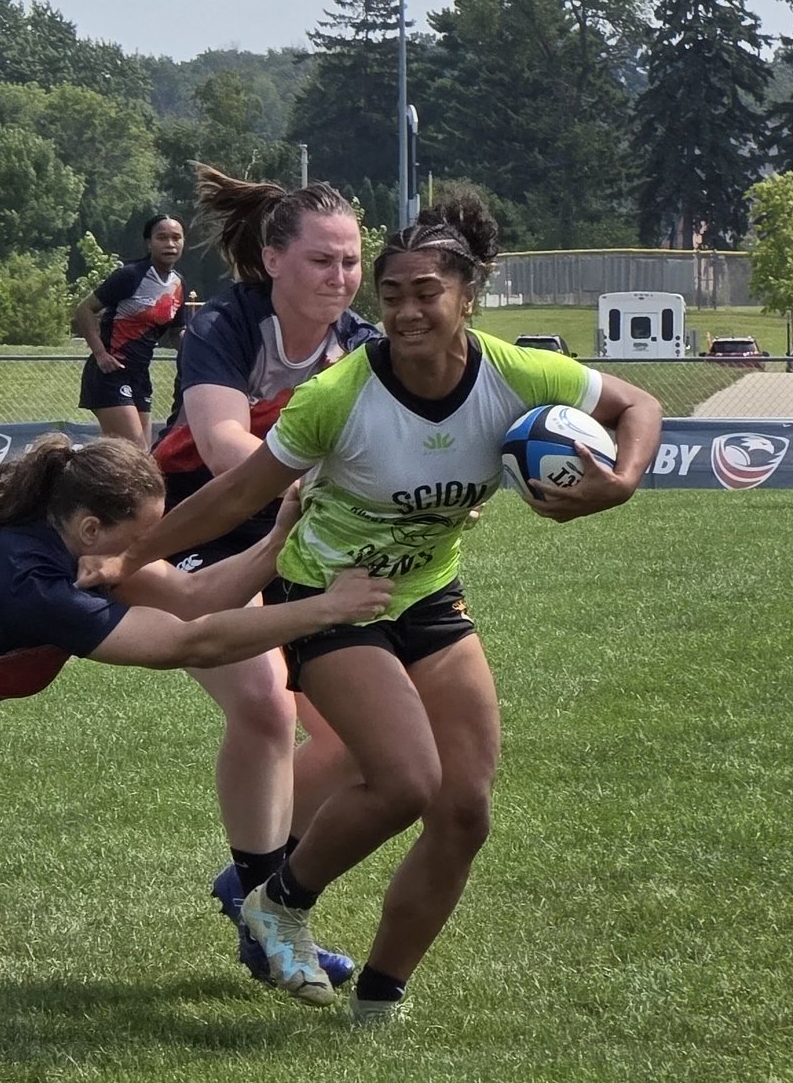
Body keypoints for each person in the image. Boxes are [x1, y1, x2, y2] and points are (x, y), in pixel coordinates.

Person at [79, 190, 664, 1020]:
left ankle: (379, 1003)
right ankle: (274, 897)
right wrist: (129, 555)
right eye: (391, 295)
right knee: (403, 779)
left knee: (463, 810)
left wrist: (622, 480)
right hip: (326, 591)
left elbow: (637, 403)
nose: (405, 309)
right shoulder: (337, 392)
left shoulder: (518, 372)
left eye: (425, 291)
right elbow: (230, 484)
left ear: (468, 296)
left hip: (425, 592)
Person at [144, 163, 378, 987]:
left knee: (360, 746)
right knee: (262, 706)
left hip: (297, 536)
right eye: (323, 260)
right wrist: (325, 488)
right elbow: (221, 451)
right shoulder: (227, 325)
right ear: (274, 259)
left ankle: (255, 884)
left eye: (350, 262)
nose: (340, 277)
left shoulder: (363, 345)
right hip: (192, 523)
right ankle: (263, 907)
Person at [0, 434, 392, 741]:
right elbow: (193, 642)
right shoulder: (34, 587)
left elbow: (195, 600)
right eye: (145, 535)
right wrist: (329, 608)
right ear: (91, 529)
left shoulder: (52, 533)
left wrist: (281, 536)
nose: (155, 546)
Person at [75, 215, 187, 448]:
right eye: (162, 238)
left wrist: (199, 353)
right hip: (110, 374)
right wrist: (100, 353)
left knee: (140, 458)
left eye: (176, 238)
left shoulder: (178, 283)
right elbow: (84, 309)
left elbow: (177, 333)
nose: (170, 244)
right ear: (149, 242)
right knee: (133, 452)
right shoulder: (131, 276)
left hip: (140, 375)